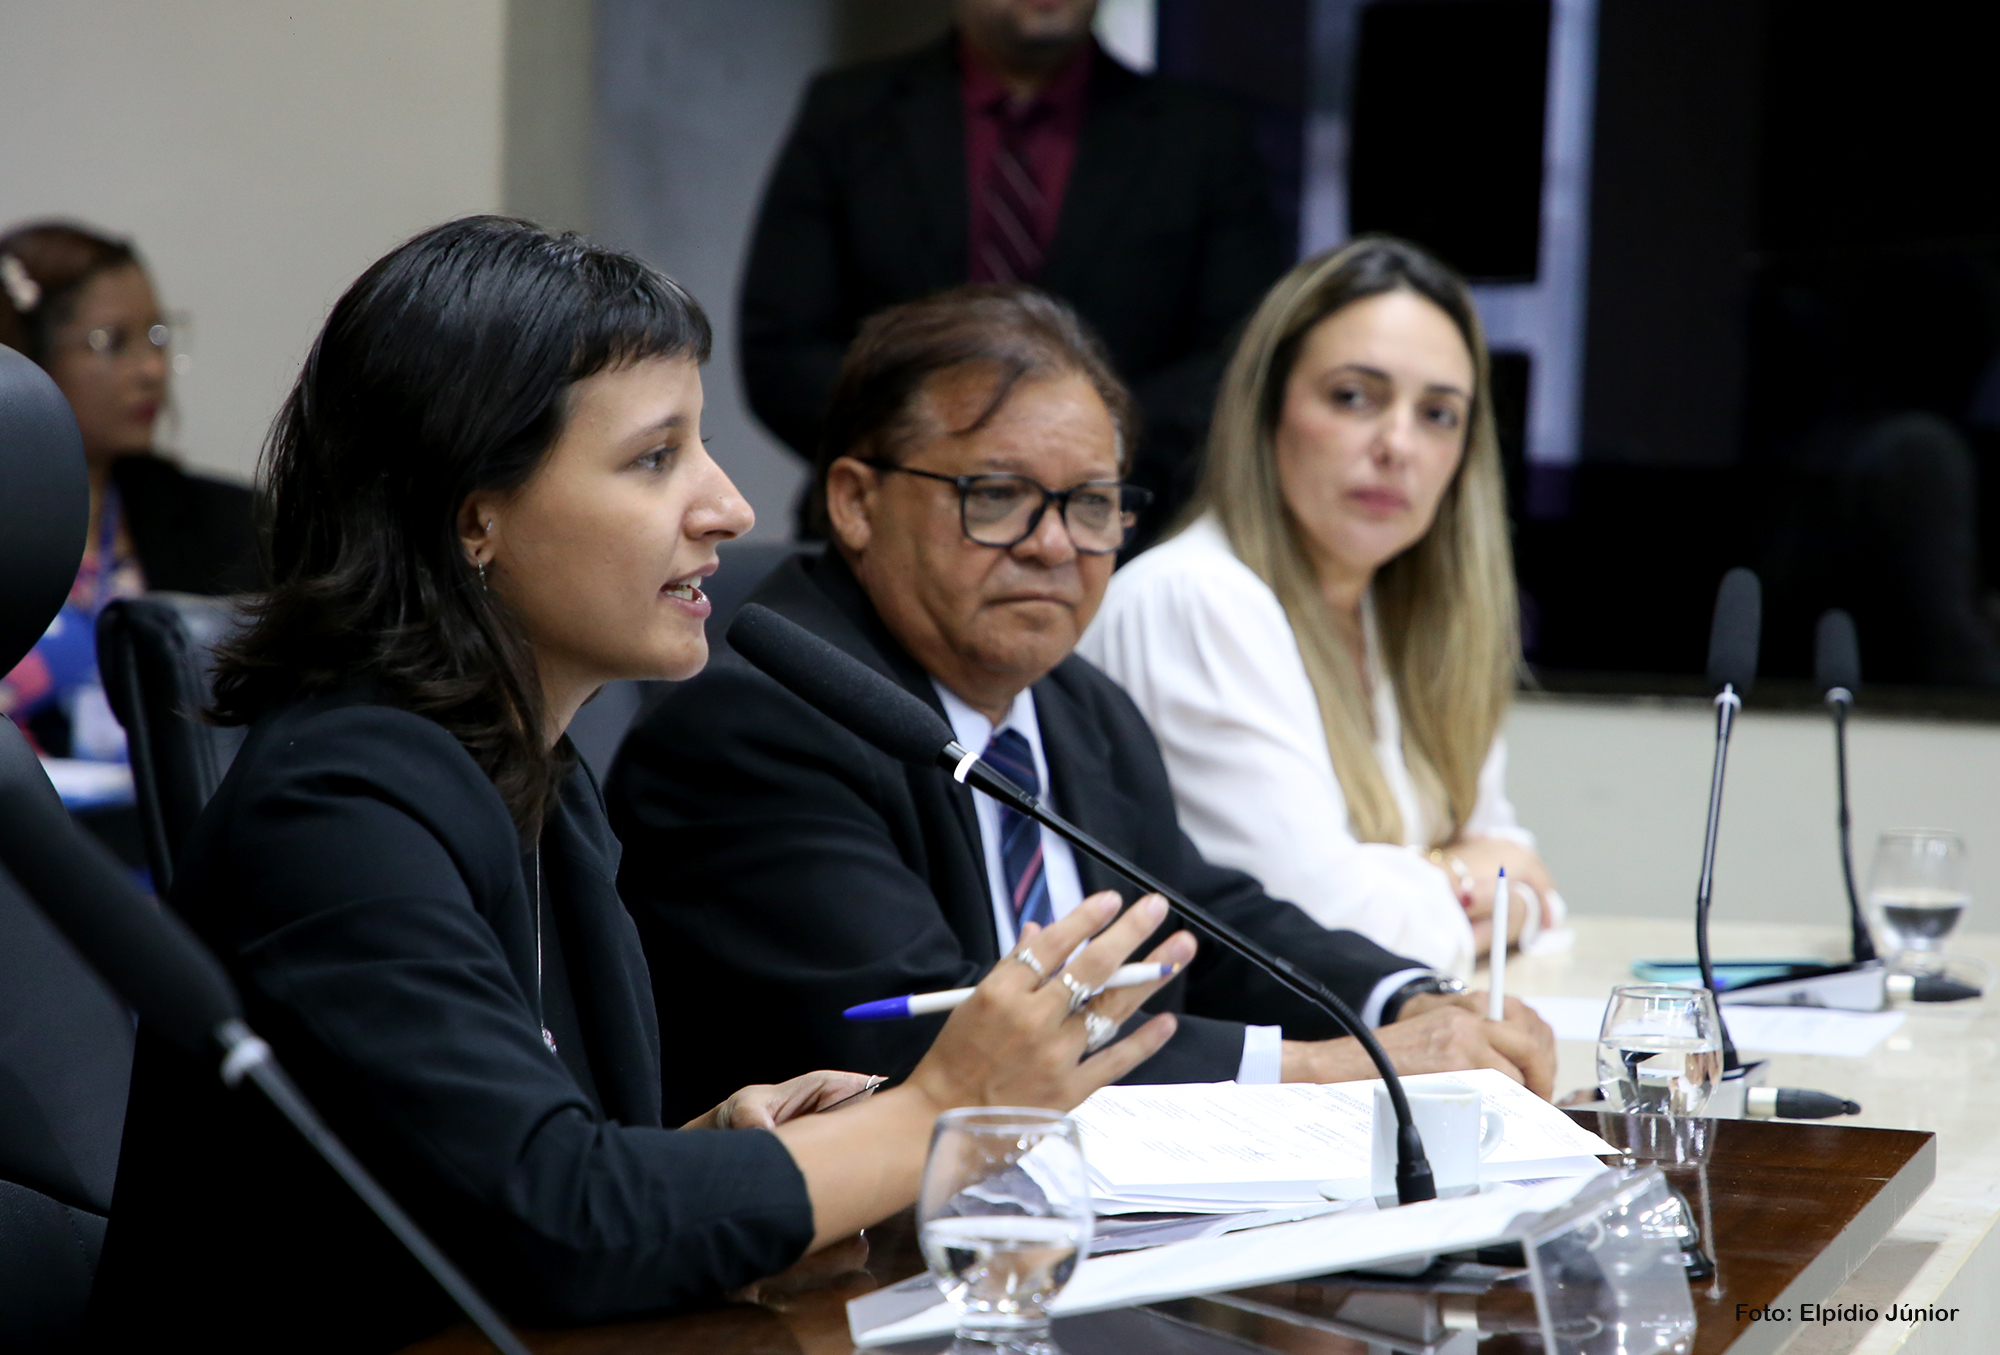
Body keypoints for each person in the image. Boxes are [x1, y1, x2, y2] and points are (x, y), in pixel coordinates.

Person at [89, 218, 1191, 1354]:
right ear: (475, 514)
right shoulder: (336, 807)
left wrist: (722, 1153)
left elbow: (514, 1169)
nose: (730, 507)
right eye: (655, 458)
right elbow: (562, 1222)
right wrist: (935, 1113)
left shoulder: (535, 773)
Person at [610, 285, 1555, 1128]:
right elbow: (940, 1043)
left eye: (1092, 504)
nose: (1055, 545)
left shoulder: (1078, 705)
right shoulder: (759, 725)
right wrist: (1321, 1067)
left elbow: (1206, 920)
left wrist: (1406, 1003)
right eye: (1000, 495)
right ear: (857, 502)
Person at [1078, 238, 1565, 979]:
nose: (1397, 444)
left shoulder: (1412, 617)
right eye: (1353, 397)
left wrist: (1480, 888)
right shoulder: (1194, 600)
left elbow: (1524, 871)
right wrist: (1466, 878)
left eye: (1438, 414)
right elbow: (1319, 932)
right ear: (1267, 411)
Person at [739, 0, 1289, 545]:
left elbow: (1238, 355)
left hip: (1122, 530)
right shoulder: (850, 113)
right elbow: (783, 346)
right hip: (886, 528)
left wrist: (1074, 458)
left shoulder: (1201, 132)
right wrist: (937, 455)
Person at [0, 221, 255, 759]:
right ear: (23, 358)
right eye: (112, 342)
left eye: (157, 335)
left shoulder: (230, 524)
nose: (152, 370)